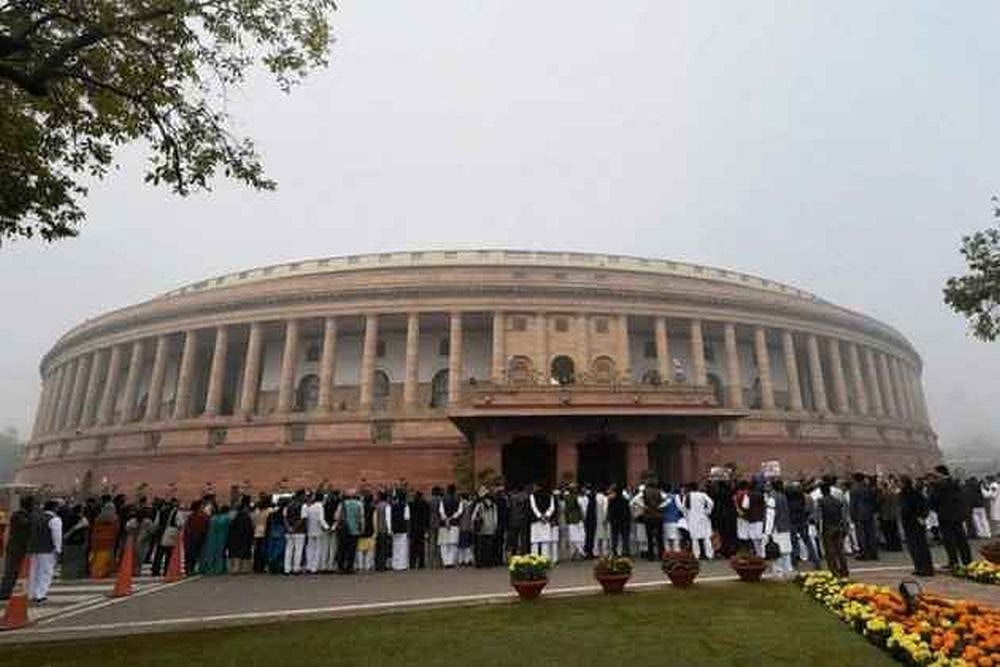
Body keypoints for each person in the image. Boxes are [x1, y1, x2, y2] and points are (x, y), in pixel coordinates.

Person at [928, 465, 972, 570]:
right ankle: (967, 561)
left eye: (935, 473)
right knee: (961, 540)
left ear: (940, 473)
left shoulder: (938, 485)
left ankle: (953, 562)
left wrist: (932, 487)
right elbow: (962, 499)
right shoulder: (955, 483)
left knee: (949, 541)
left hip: (945, 516)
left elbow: (933, 502)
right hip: (957, 516)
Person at [898, 476, 934, 577]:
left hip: (910, 523)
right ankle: (926, 567)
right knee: (922, 546)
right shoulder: (917, 493)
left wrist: (918, 516)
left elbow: (906, 509)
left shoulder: (904, 495)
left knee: (915, 547)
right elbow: (925, 505)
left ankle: (920, 567)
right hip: (918, 522)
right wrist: (923, 517)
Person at [27, 500, 62, 603]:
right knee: (46, 572)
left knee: (34, 571)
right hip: (48, 549)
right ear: (54, 508)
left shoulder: (36, 518)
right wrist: (58, 549)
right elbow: (57, 536)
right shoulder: (55, 520)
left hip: (34, 549)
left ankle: (31, 593)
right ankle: (40, 594)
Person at [0, 495, 33, 600]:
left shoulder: (25, 514)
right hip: (15, 548)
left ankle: (10, 591)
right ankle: (4, 593)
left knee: (15, 572)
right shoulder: (18, 515)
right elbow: (26, 524)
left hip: (20, 547)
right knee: (10, 571)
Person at [816, 482, 849, 577]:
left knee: (830, 552)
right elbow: (843, 515)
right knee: (840, 550)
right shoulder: (837, 501)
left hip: (827, 528)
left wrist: (818, 528)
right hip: (838, 527)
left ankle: (834, 571)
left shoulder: (821, 501)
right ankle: (844, 570)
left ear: (822, 491)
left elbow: (818, 517)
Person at [786, 481, 820, 569]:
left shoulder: (788, 498)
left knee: (793, 542)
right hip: (802, 520)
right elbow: (805, 508)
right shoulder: (802, 497)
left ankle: (794, 561)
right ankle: (815, 560)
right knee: (807, 540)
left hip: (792, 521)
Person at [765, 481, 793, 579]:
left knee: (777, 551)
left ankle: (778, 573)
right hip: (786, 526)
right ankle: (789, 570)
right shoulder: (784, 497)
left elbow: (770, 516)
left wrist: (768, 531)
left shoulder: (772, 499)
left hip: (777, 528)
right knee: (786, 550)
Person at [850, 473, 879, 560]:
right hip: (869, 512)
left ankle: (864, 553)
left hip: (859, 513)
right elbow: (874, 499)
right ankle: (873, 553)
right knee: (871, 534)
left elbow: (853, 504)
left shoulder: (854, 489)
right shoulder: (868, 487)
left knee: (861, 535)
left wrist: (852, 515)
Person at [683, 483, 715, 560]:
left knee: (694, 538)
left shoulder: (687, 496)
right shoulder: (703, 495)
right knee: (706, 537)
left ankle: (696, 555)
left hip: (692, 519)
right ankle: (709, 555)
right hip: (703, 518)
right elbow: (711, 503)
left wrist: (687, 516)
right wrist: (707, 511)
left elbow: (684, 508)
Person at [335, 489, 364, 574]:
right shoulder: (359, 504)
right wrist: (361, 528)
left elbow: (337, 516)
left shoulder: (342, 504)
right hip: (354, 530)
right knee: (352, 550)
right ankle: (349, 567)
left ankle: (341, 567)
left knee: (342, 549)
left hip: (344, 530)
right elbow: (361, 518)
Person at [89, 499, 119, 578]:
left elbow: (94, 530)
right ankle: (105, 572)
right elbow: (116, 530)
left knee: (98, 556)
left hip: (98, 539)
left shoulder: (98, 518)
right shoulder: (114, 518)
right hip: (109, 540)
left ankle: (96, 571)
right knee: (107, 556)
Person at [151, 499, 181, 576]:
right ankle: (166, 570)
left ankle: (155, 570)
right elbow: (179, 523)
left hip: (161, 534)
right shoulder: (176, 512)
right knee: (169, 554)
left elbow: (156, 523)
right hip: (171, 534)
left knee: (159, 554)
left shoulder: (160, 512)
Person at [199, 504, 231, 575]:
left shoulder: (212, 519)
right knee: (221, 553)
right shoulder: (226, 518)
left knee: (210, 552)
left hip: (211, 538)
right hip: (222, 537)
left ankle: (208, 568)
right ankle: (220, 568)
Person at [304, 492, 330, 574]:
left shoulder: (309, 506)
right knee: (318, 549)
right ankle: (314, 567)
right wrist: (327, 527)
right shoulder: (320, 506)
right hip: (318, 530)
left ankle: (309, 566)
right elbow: (321, 519)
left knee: (310, 548)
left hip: (310, 530)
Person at [61, 505, 90, 580]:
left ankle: (68, 574)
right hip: (78, 541)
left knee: (70, 558)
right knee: (78, 558)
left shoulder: (68, 518)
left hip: (69, 541)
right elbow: (85, 527)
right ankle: (77, 575)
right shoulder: (81, 519)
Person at [471, 489, 498, 567]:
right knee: (489, 546)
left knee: (480, 546)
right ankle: (489, 562)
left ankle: (480, 562)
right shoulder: (493, 505)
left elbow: (473, 517)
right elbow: (495, 518)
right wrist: (495, 526)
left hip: (482, 528)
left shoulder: (479, 505)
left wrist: (473, 524)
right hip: (491, 527)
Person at [529, 484, 556, 560]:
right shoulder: (550, 495)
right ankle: (545, 560)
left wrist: (540, 516)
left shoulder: (532, 496)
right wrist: (546, 516)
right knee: (545, 542)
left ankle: (534, 560)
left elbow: (533, 507)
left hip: (536, 521)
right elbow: (552, 507)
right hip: (546, 521)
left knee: (535, 542)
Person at [227, 498, 254, 574]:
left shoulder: (235, 517)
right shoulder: (246, 517)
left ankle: (235, 569)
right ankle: (243, 569)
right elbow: (250, 528)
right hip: (244, 537)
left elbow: (231, 527)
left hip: (236, 537)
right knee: (244, 554)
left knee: (236, 554)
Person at [438, 485, 463, 567]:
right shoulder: (459, 500)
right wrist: (451, 518)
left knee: (444, 544)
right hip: (454, 524)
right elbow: (459, 512)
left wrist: (446, 520)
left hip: (444, 524)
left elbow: (441, 511)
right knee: (453, 544)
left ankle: (445, 562)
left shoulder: (443, 500)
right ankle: (451, 562)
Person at [641, 482, 666, 561]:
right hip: (658, 515)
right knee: (659, 537)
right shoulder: (659, 491)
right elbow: (664, 501)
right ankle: (661, 555)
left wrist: (645, 507)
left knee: (650, 537)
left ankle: (651, 556)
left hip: (648, 516)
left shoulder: (645, 491)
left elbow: (641, 501)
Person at [283, 491, 307, 574]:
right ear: (301, 496)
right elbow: (302, 519)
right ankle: (296, 568)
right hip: (299, 531)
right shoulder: (303, 506)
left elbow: (285, 518)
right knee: (298, 550)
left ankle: (287, 569)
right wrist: (294, 528)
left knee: (288, 549)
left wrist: (289, 528)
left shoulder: (287, 506)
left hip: (288, 531)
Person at [388, 489, 411, 571]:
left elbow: (390, 517)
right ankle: (402, 565)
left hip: (394, 528)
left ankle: (395, 565)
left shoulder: (392, 506)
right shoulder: (405, 505)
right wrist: (408, 530)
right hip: (403, 528)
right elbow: (407, 518)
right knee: (403, 547)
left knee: (395, 547)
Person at [607, 485, 631, 557]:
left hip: (615, 522)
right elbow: (628, 512)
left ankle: (614, 551)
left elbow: (610, 512)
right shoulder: (625, 501)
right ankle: (625, 551)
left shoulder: (612, 501)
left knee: (614, 537)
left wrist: (610, 519)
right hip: (624, 521)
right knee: (625, 538)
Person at [563, 485, 585, 560]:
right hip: (577, 519)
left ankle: (574, 554)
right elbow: (579, 509)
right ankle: (581, 552)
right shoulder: (576, 498)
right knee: (579, 537)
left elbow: (566, 510)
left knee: (574, 537)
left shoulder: (566, 498)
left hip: (571, 519)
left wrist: (566, 519)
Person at [251, 495, 272, 573]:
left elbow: (253, 522)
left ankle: (256, 567)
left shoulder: (256, 512)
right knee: (263, 550)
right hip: (264, 532)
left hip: (256, 532)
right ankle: (261, 566)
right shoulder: (267, 512)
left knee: (257, 550)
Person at [408, 490, 429, 569]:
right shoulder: (425, 504)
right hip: (421, 528)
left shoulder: (411, 504)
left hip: (413, 528)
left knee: (412, 547)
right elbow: (426, 517)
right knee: (421, 546)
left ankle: (412, 564)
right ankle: (421, 563)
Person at [662, 487, 683, 552]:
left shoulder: (662, 497)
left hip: (665, 520)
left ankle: (667, 552)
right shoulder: (675, 497)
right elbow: (680, 507)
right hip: (675, 519)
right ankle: (676, 552)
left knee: (666, 538)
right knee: (676, 538)